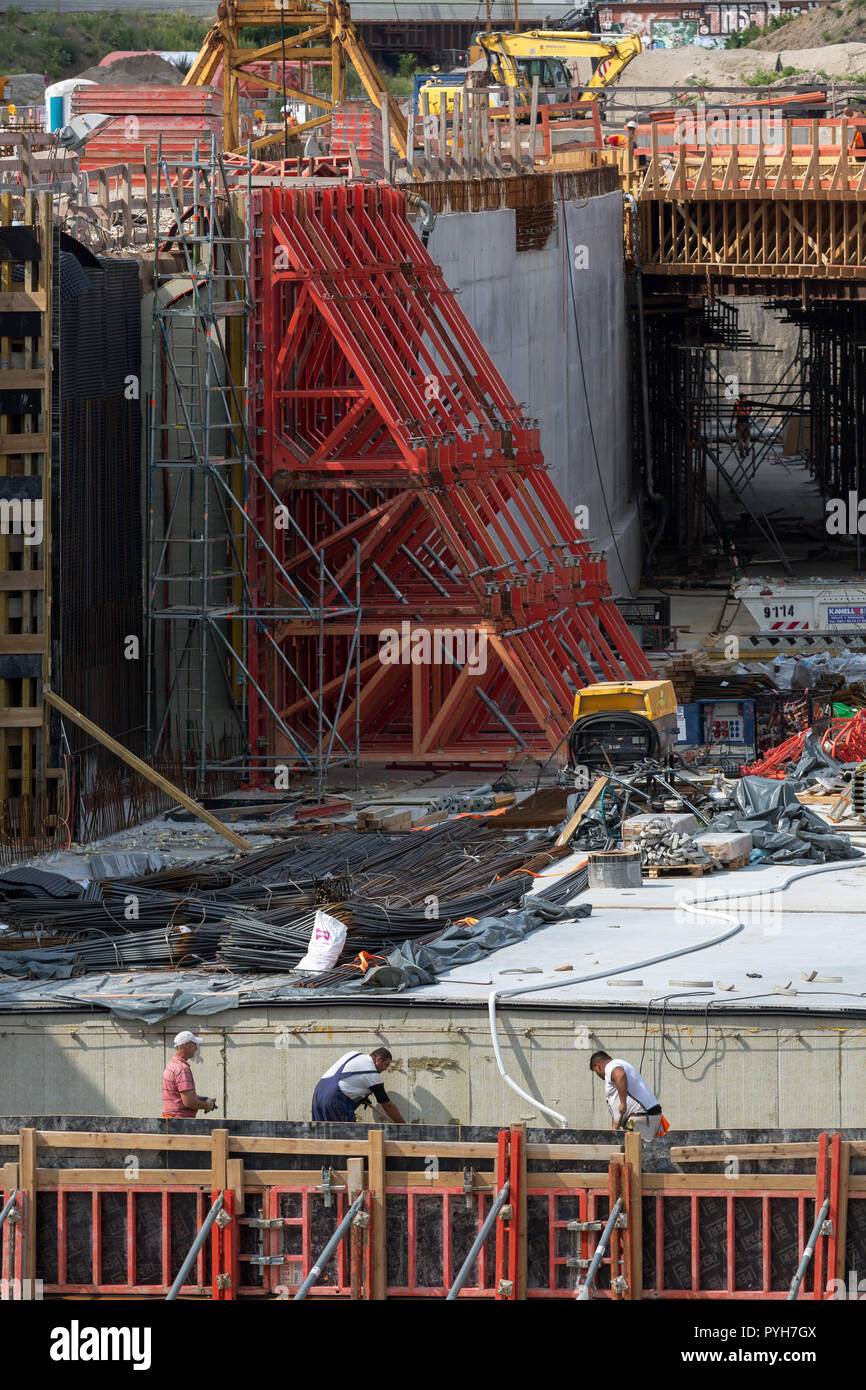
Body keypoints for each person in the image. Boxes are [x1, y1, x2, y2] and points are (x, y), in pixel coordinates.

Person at [312, 1046, 406, 1123]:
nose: (385, 1069)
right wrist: (403, 1125)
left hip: (318, 1093)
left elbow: (346, 1080)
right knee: (345, 1141)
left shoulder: (353, 1054)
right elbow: (387, 1106)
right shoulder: (372, 1074)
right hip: (334, 1100)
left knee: (320, 1135)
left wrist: (359, 1095)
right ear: (378, 1059)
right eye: (386, 1065)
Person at [589, 1049, 668, 1139]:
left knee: (635, 1150)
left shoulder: (611, 1066)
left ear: (597, 1066)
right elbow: (615, 1103)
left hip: (641, 1116)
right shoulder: (618, 1065)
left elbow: (620, 1075)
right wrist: (614, 1128)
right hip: (647, 1115)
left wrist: (623, 1103)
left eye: (595, 1071)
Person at [162, 1030, 216, 1118]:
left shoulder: (171, 1065)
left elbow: (182, 1096)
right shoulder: (182, 1069)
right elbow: (189, 1102)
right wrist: (206, 1105)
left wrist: (204, 1099)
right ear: (186, 1045)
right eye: (194, 1044)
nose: (196, 1048)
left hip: (170, 1119)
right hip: (180, 1122)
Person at [731, 395, 752, 461]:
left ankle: (741, 453)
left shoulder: (737, 404)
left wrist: (731, 424)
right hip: (746, 423)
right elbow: (749, 412)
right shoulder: (749, 403)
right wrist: (746, 415)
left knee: (739, 439)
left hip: (739, 424)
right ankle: (746, 447)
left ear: (740, 398)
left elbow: (733, 414)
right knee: (748, 437)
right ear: (745, 398)